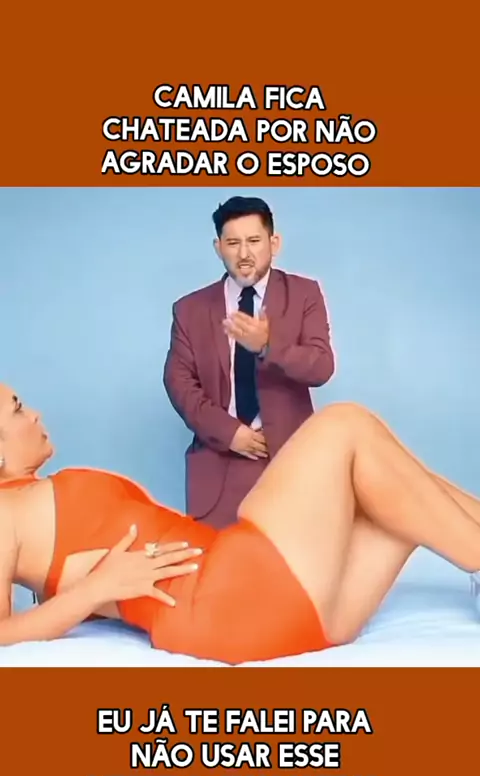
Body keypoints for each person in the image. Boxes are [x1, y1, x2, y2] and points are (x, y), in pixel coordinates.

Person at [1, 382, 480, 665]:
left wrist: (87, 593)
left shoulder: (27, 500)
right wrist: (95, 590)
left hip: (275, 616)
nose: (35, 413)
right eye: (18, 409)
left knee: (397, 490)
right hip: (229, 598)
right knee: (346, 424)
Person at [163, 196, 335, 529]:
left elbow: (321, 367)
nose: (244, 253)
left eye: (254, 241)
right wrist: (229, 433)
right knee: (217, 562)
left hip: (289, 464)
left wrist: (269, 346)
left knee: (288, 561)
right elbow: (179, 384)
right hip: (218, 468)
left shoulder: (305, 294)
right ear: (218, 247)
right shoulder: (189, 309)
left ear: (274, 243)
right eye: (233, 243)